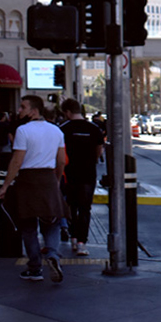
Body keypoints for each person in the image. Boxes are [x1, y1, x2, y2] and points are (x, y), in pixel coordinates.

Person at [0, 94, 67, 283]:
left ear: (34, 111)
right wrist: (56, 179)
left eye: (22, 107)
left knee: (28, 227)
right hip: (48, 178)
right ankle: (52, 253)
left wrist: (5, 185)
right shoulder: (56, 131)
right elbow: (61, 160)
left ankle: (35, 268)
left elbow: (17, 160)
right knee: (52, 221)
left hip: (28, 180)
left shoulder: (23, 131)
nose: (19, 110)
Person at [59, 98, 105, 256]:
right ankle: (81, 242)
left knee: (71, 206)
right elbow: (99, 151)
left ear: (67, 112)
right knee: (85, 208)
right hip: (88, 173)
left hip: (69, 174)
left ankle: (73, 236)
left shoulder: (63, 129)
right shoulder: (94, 129)